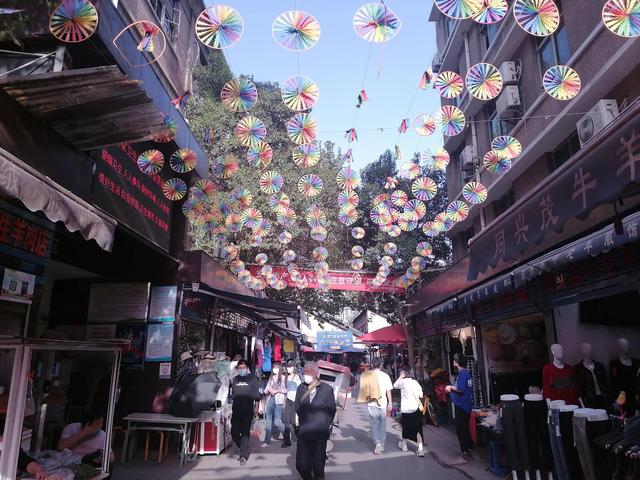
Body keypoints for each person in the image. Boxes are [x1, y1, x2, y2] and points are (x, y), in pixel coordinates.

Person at [295, 361, 336, 480]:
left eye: (309, 372)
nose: (306, 374)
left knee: (318, 467)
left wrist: (324, 424)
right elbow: (297, 407)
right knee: (301, 465)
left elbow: (332, 410)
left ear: (315, 373)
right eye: (305, 372)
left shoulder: (326, 389)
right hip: (304, 432)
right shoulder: (301, 388)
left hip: (320, 434)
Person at [230, 359, 261, 465]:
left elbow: (257, 395)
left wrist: (256, 407)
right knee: (234, 432)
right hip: (236, 409)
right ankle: (241, 447)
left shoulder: (253, 379)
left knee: (245, 433)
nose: (242, 369)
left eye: (244, 367)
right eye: (240, 368)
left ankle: (243, 455)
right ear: (238, 368)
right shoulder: (234, 379)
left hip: (247, 410)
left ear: (247, 368)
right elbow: (233, 394)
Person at [445, 354, 473, 460]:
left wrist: (450, 387)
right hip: (467, 405)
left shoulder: (462, 374)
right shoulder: (467, 373)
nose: (453, 362)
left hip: (461, 405)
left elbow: (461, 389)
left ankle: (465, 450)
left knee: (461, 429)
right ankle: (469, 447)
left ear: (457, 362)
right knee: (465, 427)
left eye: (454, 361)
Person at [394, 370, 427, 457]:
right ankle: (420, 449)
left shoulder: (403, 382)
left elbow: (394, 385)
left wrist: (400, 377)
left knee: (405, 427)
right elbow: (421, 396)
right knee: (418, 429)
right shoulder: (415, 383)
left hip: (406, 409)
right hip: (415, 408)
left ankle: (404, 446)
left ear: (403, 374)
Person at [368, 357, 393, 454]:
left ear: (372, 364)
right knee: (382, 423)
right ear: (381, 365)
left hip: (372, 403)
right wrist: (390, 403)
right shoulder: (385, 376)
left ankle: (377, 443)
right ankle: (381, 443)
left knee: (374, 424)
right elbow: (388, 391)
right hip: (383, 403)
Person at [262, 361, 287, 447]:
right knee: (268, 421)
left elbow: (286, 390)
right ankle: (267, 440)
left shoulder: (283, 378)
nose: (274, 369)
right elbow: (266, 388)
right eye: (273, 367)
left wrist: (277, 390)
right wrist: (266, 390)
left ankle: (286, 434)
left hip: (279, 400)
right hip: (270, 399)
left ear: (279, 369)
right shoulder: (271, 377)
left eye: (276, 368)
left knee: (276, 421)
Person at [283, 360, 302, 448]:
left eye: (290, 366)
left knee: (294, 422)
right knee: (286, 421)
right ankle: (287, 441)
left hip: (295, 401)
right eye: (287, 366)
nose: (288, 368)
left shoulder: (297, 377)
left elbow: (300, 390)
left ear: (294, 367)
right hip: (288, 400)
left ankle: (300, 438)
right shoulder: (286, 377)